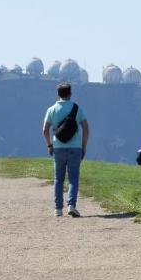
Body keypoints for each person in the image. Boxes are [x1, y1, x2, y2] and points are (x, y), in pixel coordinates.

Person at [43, 82, 90, 217]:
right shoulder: (77, 108)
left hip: (58, 147)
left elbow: (45, 130)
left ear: (58, 94)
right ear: (70, 93)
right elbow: (86, 129)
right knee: (73, 178)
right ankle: (71, 205)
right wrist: (83, 146)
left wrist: (49, 145)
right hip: (75, 147)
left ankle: (58, 209)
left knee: (58, 178)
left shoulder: (51, 110)